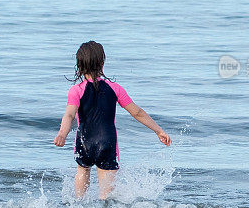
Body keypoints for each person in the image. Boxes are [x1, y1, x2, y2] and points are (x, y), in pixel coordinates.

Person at [54, 41, 171, 199]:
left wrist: (62, 134)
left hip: (84, 140)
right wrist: (159, 130)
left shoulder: (76, 90)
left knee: (82, 171)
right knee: (106, 198)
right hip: (107, 142)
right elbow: (137, 112)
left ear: (79, 66)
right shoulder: (115, 88)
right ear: (102, 64)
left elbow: (69, 115)